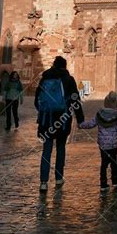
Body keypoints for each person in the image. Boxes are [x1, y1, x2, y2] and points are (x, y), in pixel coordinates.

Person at [35, 56, 84, 192]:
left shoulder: (45, 78)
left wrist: (43, 112)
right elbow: (75, 99)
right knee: (61, 148)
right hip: (62, 120)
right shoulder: (68, 79)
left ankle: (43, 182)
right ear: (65, 66)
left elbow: (36, 99)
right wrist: (80, 119)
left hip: (46, 120)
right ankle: (58, 178)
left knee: (46, 150)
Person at [79, 91, 117, 193]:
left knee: (104, 164)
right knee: (114, 163)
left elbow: (91, 124)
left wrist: (81, 125)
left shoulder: (99, 114)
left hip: (103, 145)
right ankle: (115, 181)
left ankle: (103, 184)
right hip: (114, 144)